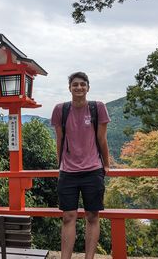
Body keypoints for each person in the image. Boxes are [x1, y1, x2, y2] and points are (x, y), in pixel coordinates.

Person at [51, 72, 111, 259]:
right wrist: (59, 165)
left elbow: (102, 139)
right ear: (69, 88)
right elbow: (59, 139)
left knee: (92, 217)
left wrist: (106, 165)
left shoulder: (97, 107)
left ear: (88, 87)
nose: (79, 88)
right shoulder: (60, 110)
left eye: (82, 84)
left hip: (93, 170)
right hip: (68, 171)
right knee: (68, 216)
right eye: (75, 84)